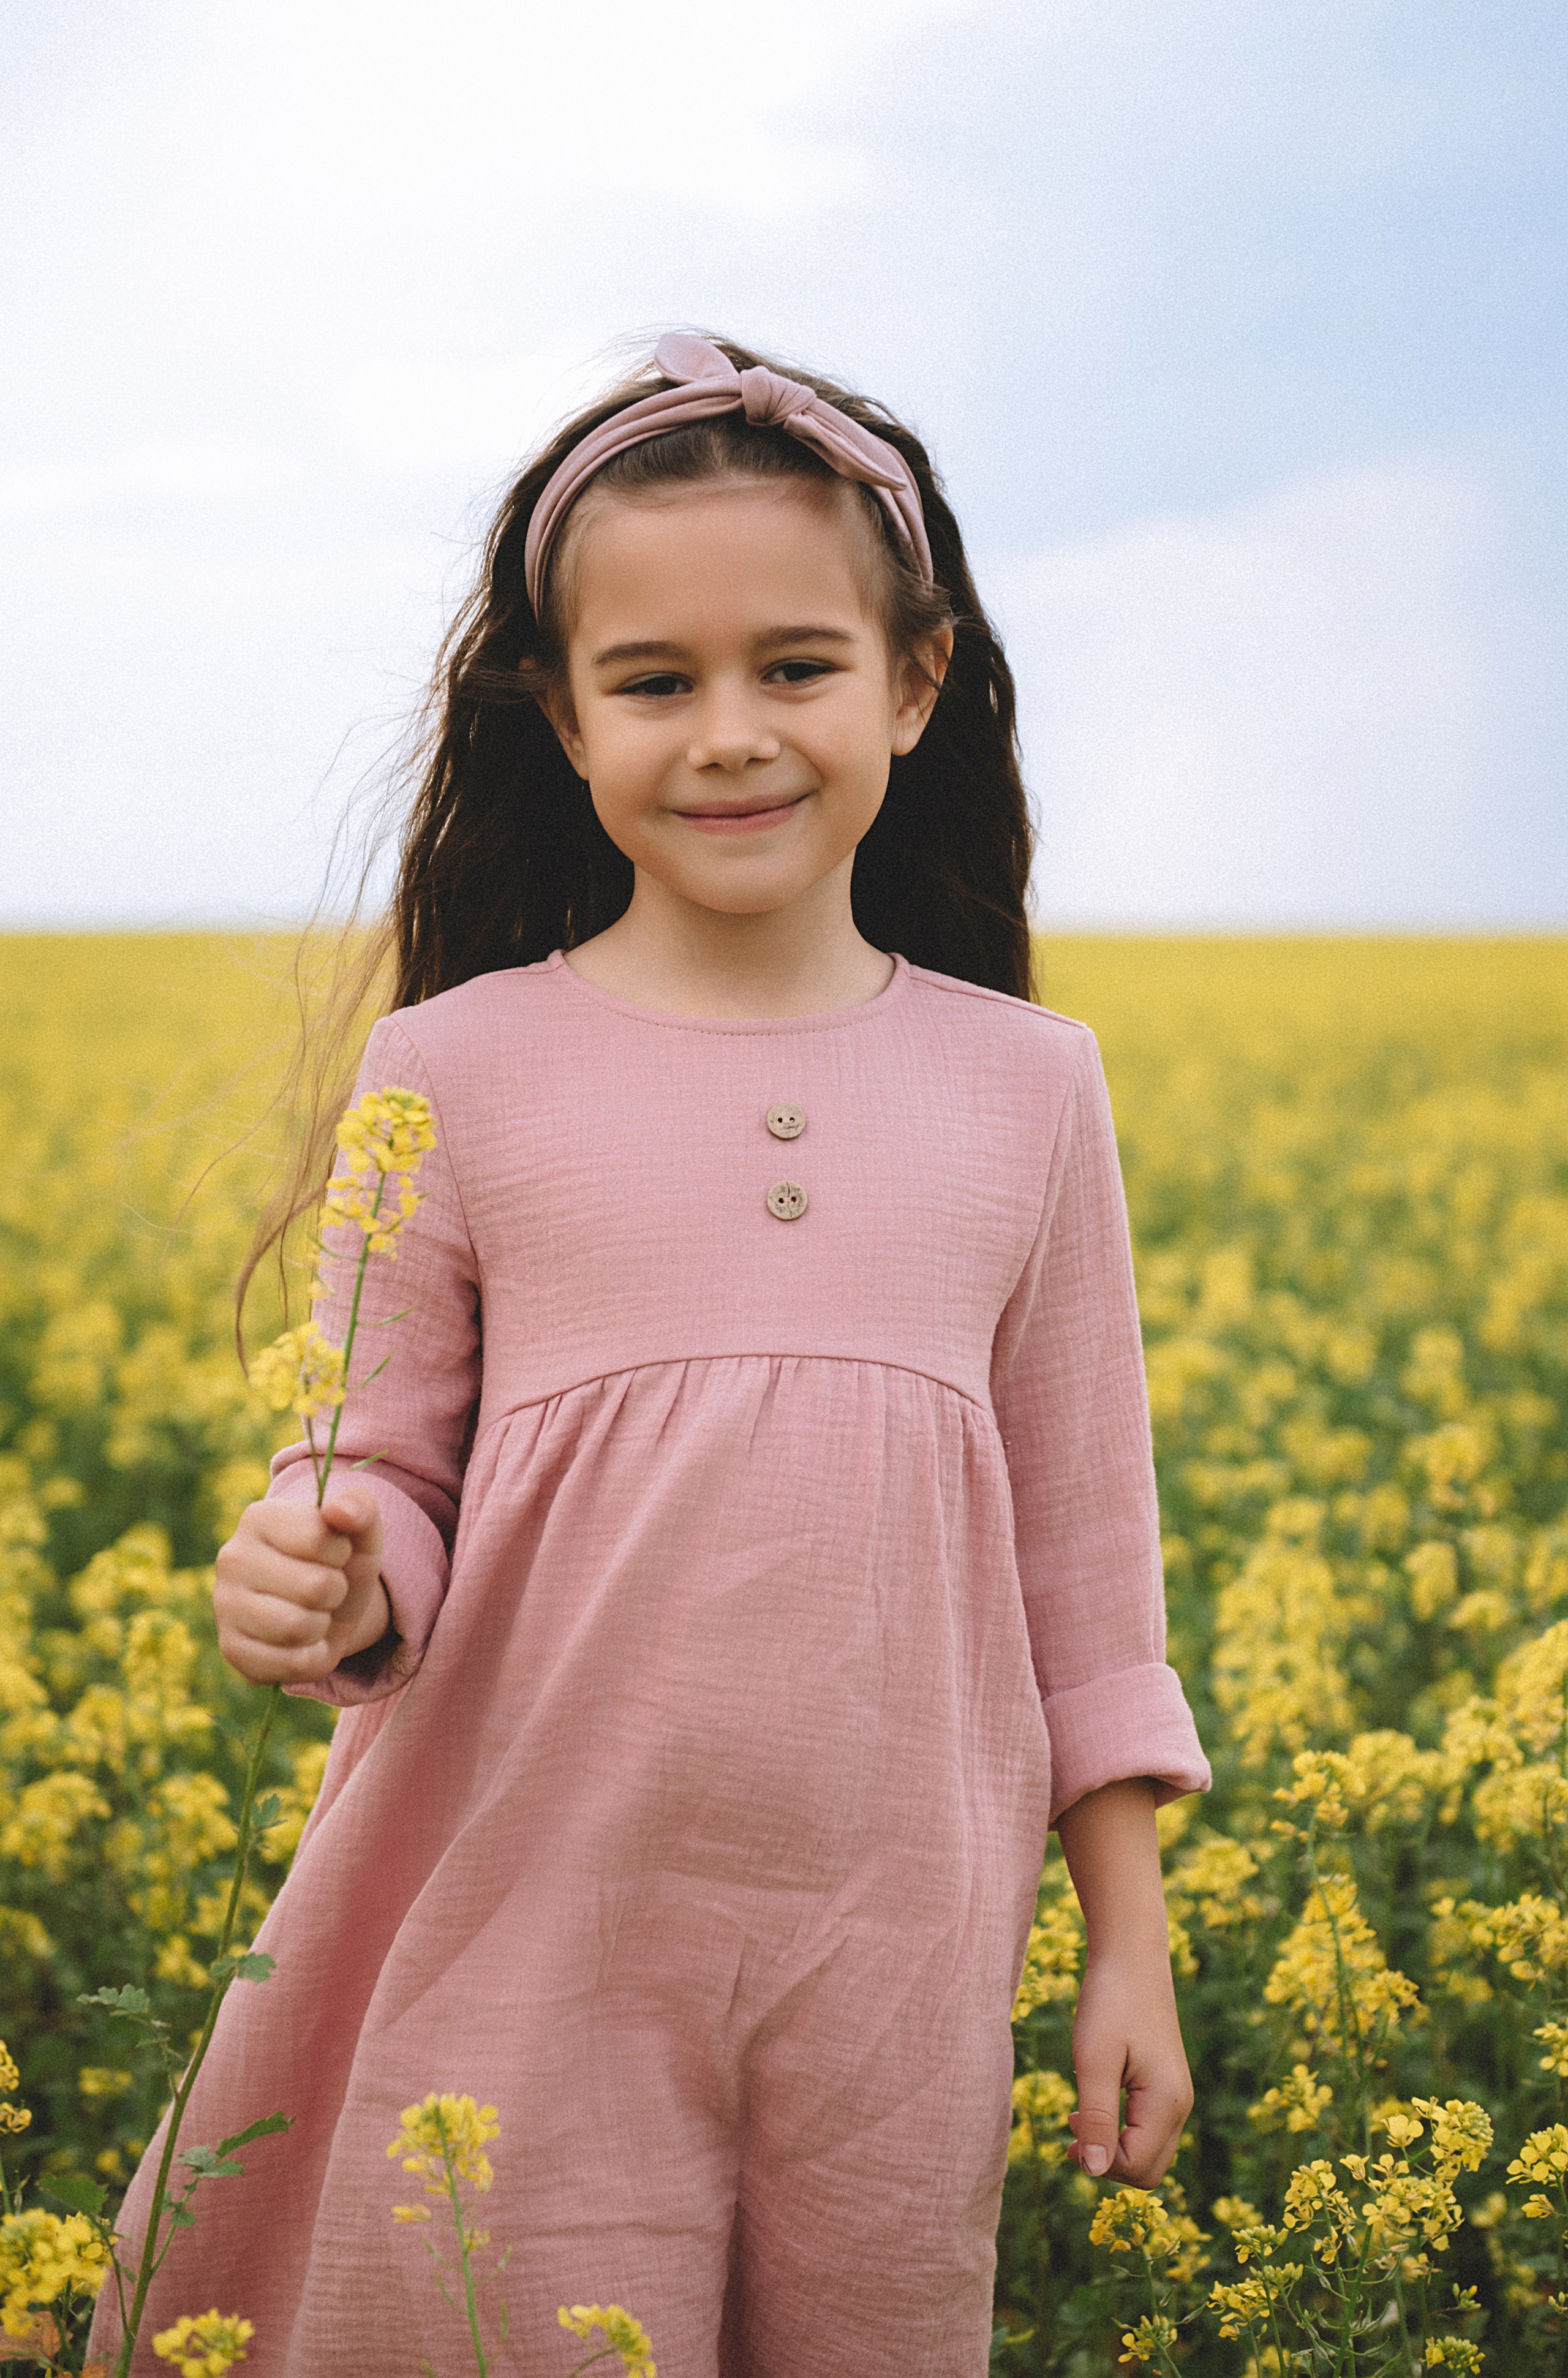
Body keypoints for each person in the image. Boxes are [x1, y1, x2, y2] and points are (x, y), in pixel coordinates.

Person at [95, 333, 1209, 2376]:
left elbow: (1087, 1556)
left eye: (795, 665)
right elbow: (380, 1468)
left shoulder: (1033, 1085)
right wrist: (321, 1564)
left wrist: (1127, 1942)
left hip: (894, 1953)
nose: (731, 735)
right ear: (563, 714)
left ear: (916, 681)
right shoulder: (450, 1068)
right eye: (656, 681)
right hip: (528, 1921)